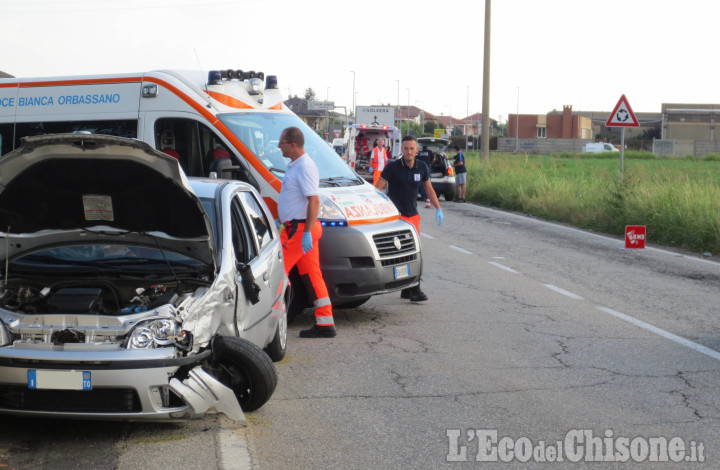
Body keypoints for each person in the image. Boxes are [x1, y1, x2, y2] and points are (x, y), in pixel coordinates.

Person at [277, 127, 336, 338]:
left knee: (276, 272)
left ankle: (271, 323)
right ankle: (325, 322)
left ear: (292, 144)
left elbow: (314, 200)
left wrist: (307, 232)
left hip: (299, 230)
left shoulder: (304, 166)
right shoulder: (296, 165)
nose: (278, 146)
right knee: (312, 275)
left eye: (281, 143)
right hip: (299, 228)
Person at [374, 135, 444, 302]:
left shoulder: (422, 167)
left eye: (412, 148)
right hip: (396, 218)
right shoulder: (392, 167)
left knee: (413, 253)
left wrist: (438, 208)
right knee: (399, 253)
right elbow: (377, 189)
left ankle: (410, 288)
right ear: (402, 150)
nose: (409, 152)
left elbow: (429, 189)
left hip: (413, 217)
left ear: (417, 150)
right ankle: (412, 288)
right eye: (406, 148)